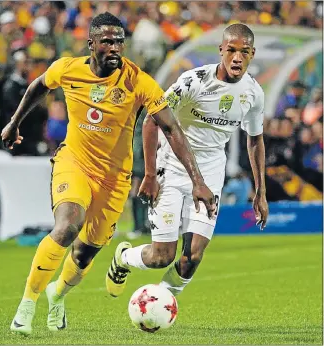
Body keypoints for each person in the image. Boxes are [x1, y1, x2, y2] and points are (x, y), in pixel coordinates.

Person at [1, 12, 215, 336]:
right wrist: (14, 122)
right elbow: (38, 85)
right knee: (67, 226)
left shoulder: (138, 81)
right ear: (91, 44)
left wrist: (198, 181)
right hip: (75, 162)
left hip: (114, 180)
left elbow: (170, 128)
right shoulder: (68, 69)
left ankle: (56, 294)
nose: (115, 47)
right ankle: (26, 306)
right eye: (107, 41)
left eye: (119, 42)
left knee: (84, 254)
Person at [106, 23, 269, 299]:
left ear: (252, 54)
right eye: (231, 50)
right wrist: (148, 174)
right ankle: (124, 258)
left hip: (210, 173)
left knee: (193, 255)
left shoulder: (253, 94)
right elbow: (151, 120)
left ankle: (159, 302)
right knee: (162, 256)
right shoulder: (193, 82)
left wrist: (261, 192)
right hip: (170, 167)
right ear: (221, 50)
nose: (237, 57)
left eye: (244, 52)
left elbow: (255, 140)